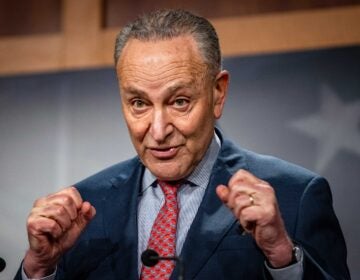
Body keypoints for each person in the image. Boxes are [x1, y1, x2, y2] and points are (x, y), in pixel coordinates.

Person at [15, 9, 349, 280]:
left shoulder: (296, 196)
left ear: (218, 93)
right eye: (139, 104)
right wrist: (39, 269)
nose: (158, 131)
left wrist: (281, 257)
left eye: (179, 102)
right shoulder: (83, 207)